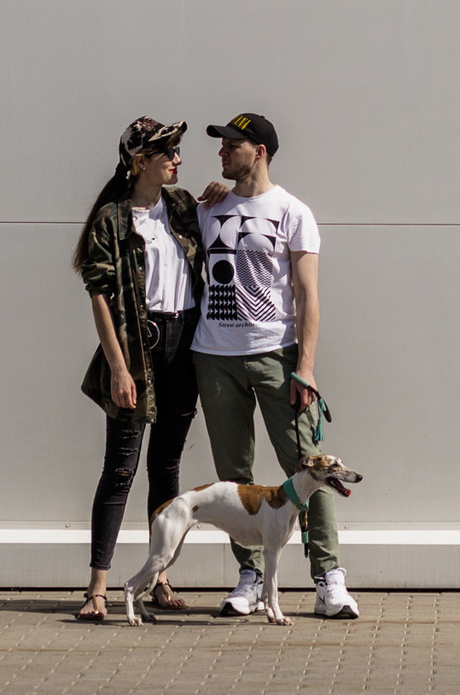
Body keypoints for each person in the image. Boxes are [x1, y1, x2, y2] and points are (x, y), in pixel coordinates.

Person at [191, 111, 358, 619]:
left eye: (232, 145)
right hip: (214, 356)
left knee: (311, 468)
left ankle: (328, 580)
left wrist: (305, 366)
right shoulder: (208, 208)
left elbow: (308, 296)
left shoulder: (292, 212)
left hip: (277, 356)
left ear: (259, 151)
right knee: (233, 477)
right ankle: (250, 577)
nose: (222, 152)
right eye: (221, 145)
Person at [72, 117, 205, 622]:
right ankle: (97, 587)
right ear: (140, 161)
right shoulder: (112, 219)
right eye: (167, 152)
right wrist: (118, 367)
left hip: (184, 345)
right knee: (121, 469)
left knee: (166, 468)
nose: (177, 158)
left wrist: (219, 192)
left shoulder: (183, 206)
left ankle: (158, 578)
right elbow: (100, 297)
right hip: (136, 350)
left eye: (176, 150)